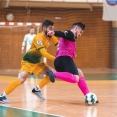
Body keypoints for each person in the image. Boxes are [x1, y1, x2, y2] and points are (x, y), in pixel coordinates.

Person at [0, 20, 58, 103]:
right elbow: (44, 53)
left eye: (53, 29)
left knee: (52, 73)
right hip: (28, 61)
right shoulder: (38, 37)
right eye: (50, 28)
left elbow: (60, 45)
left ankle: (37, 89)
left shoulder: (52, 38)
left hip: (37, 62)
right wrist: (56, 59)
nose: (52, 31)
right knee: (21, 79)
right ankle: (2, 96)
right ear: (44, 28)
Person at [46, 22, 99, 103]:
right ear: (76, 29)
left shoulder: (69, 38)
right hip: (65, 59)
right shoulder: (70, 33)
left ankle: (87, 95)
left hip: (59, 60)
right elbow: (63, 33)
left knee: (79, 73)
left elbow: (65, 39)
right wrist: (54, 32)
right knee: (75, 78)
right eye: (80, 32)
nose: (80, 34)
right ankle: (53, 74)